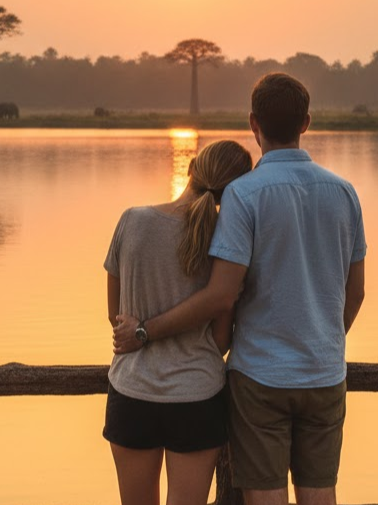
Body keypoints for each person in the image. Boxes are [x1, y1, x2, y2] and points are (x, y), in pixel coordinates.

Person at [114, 73, 367, 505]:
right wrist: (324, 341)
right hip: (324, 372)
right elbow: (355, 291)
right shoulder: (344, 193)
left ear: (254, 123)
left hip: (260, 375)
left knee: (264, 497)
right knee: (321, 492)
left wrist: (144, 331)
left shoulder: (244, 195)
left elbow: (220, 296)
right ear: (306, 122)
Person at [103, 139, 253, 505]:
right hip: (197, 399)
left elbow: (115, 317)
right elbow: (220, 340)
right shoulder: (227, 242)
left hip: (133, 393)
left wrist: (143, 332)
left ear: (192, 167)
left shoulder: (132, 221)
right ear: (233, 193)